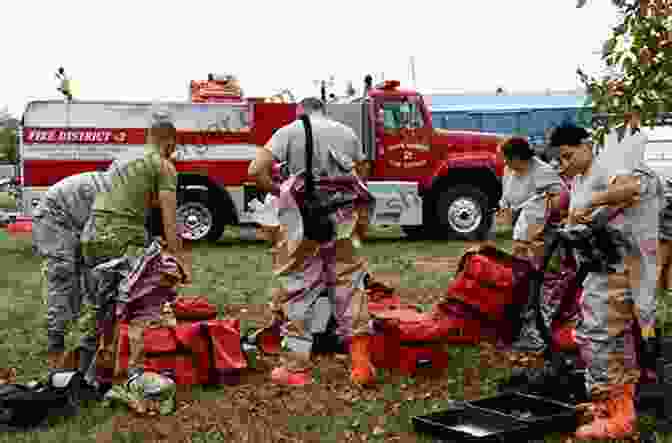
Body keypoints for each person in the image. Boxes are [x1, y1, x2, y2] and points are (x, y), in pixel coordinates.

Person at [248, 97, 376, 386]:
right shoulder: (347, 132)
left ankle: (295, 369)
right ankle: (361, 366)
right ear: (323, 111)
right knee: (350, 285)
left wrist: (282, 190)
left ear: (299, 112)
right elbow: (362, 172)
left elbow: (255, 170)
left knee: (299, 288)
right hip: (343, 220)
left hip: (303, 222)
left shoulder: (289, 131)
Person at [548, 120, 661, 440]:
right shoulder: (582, 177)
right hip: (600, 265)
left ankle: (621, 414)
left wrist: (596, 203)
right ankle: (608, 401)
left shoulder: (608, 164)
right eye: (560, 159)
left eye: (569, 156)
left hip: (622, 265)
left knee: (602, 335)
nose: (564, 164)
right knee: (593, 334)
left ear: (586, 145)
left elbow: (631, 190)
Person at [77, 118, 190, 392]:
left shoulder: (123, 159)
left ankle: (86, 376)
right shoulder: (163, 165)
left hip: (91, 236)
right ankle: (133, 376)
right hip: (122, 238)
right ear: (170, 143)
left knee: (100, 307)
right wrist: (179, 260)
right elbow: (169, 217)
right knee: (144, 302)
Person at [32, 171, 113, 373]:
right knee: (64, 281)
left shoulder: (130, 196)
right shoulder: (122, 197)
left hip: (81, 219)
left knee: (95, 281)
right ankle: (56, 349)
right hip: (56, 215)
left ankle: (88, 345)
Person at [498, 136, 564, 262]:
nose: (504, 161)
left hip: (540, 229)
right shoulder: (508, 170)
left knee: (537, 261)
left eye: (506, 158)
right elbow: (505, 195)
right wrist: (505, 208)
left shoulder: (542, 171)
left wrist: (540, 222)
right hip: (518, 224)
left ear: (516, 157)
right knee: (520, 257)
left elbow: (560, 196)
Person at [658, 175, 672, 291]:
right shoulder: (665, 197)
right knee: (662, 264)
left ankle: (667, 290)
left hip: (666, 234)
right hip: (664, 236)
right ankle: (660, 290)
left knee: (667, 265)